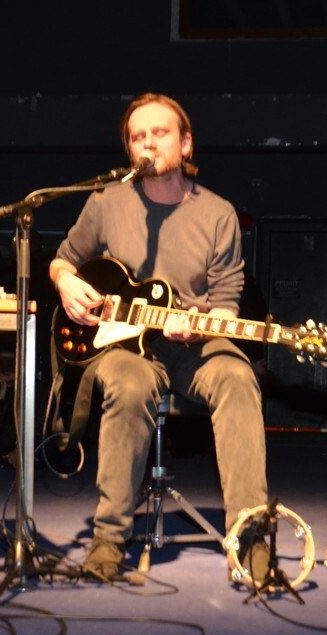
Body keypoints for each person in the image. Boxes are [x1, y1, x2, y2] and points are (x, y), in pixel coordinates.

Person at [50, 92, 268, 583]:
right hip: (125, 345)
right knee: (128, 386)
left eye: (160, 132)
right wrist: (65, 283)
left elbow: (227, 301)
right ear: (129, 150)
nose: (148, 142)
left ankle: (250, 535)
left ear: (185, 144)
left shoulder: (218, 213)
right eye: (137, 136)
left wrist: (198, 324)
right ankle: (108, 540)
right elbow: (64, 259)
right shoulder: (106, 202)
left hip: (195, 342)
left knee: (237, 378)